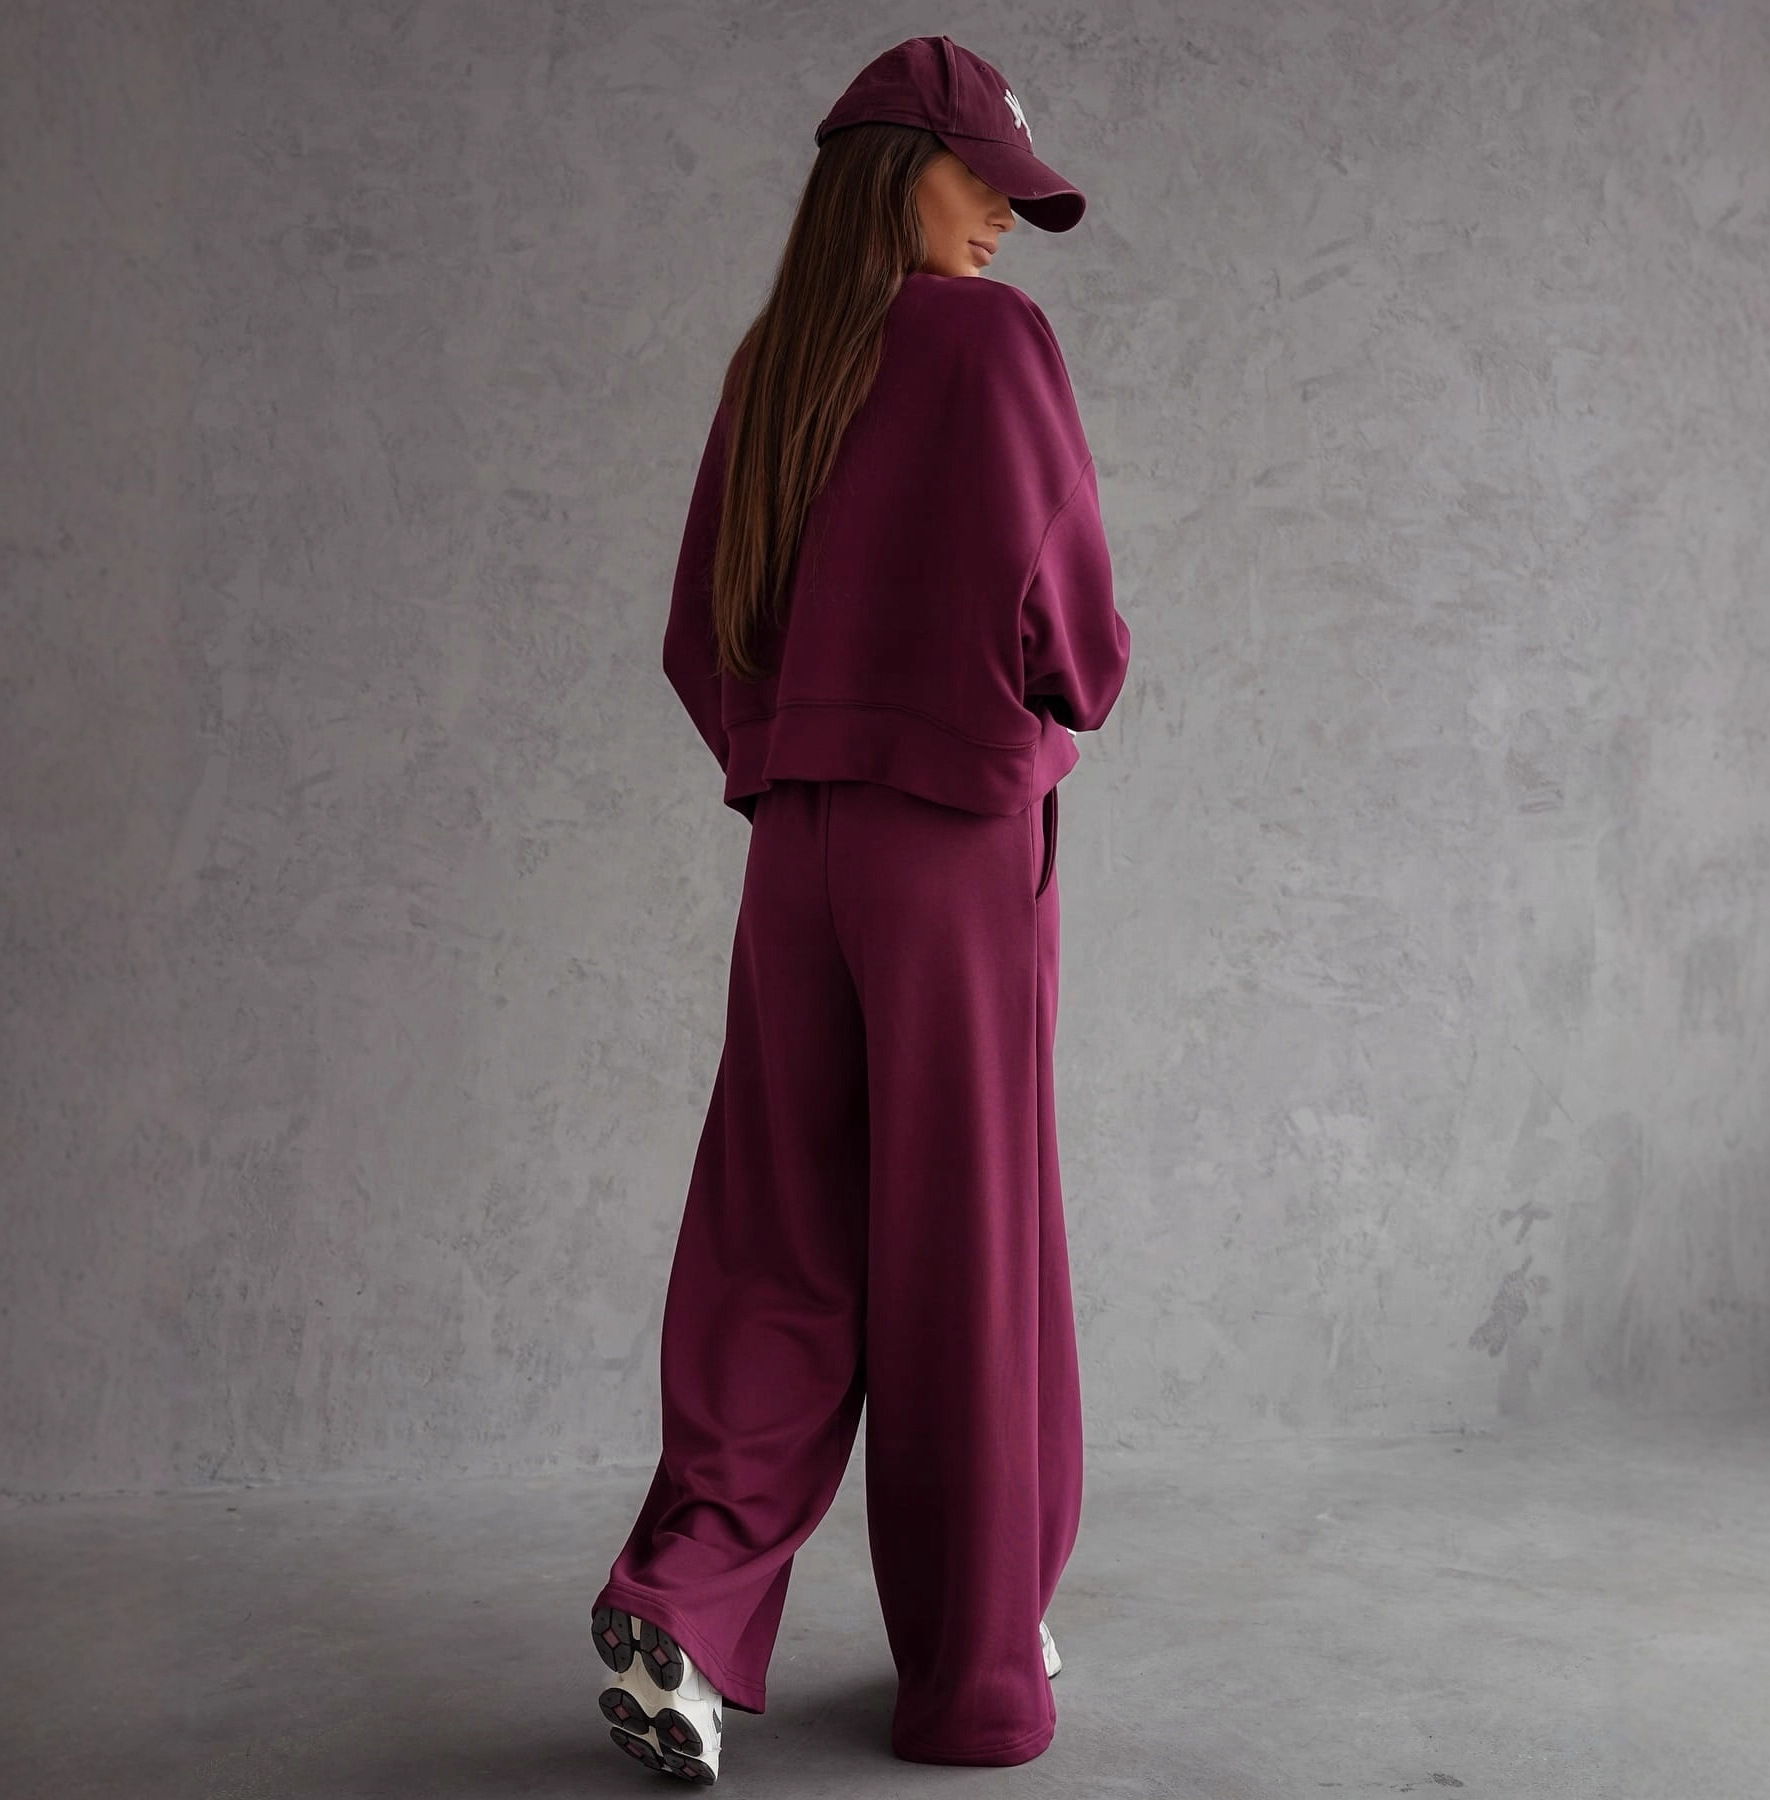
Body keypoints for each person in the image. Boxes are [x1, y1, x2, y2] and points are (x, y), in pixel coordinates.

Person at [589, 34, 1131, 1781]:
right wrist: (1037, 724)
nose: (1005, 220)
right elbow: (1074, 628)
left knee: (780, 1237)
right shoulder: (989, 344)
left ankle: (681, 1610)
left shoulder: (776, 366)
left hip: (796, 855)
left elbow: (702, 632)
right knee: (969, 1246)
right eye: (984, 179)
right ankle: (978, 1677)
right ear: (900, 170)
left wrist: (795, 754)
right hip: (954, 846)